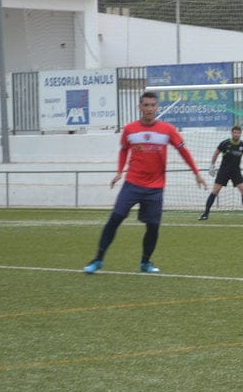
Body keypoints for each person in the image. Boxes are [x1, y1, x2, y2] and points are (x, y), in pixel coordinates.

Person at [83, 91, 207, 274]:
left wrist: (196, 172)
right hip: (132, 183)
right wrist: (119, 171)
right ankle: (98, 259)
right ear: (140, 107)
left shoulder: (168, 130)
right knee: (115, 218)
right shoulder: (130, 129)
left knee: (153, 226)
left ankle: (145, 262)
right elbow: (124, 151)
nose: (149, 109)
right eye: (146, 105)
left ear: (157, 108)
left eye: (152, 105)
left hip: (155, 187)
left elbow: (183, 151)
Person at [199, 125, 243, 220]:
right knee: (215, 191)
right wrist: (212, 165)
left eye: (238, 133)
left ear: (241, 134)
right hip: (223, 171)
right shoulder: (225, 143)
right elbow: (216, 153)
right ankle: (205, 214)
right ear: (232, 133)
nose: (236, 134)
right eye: (235, 132)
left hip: (236, 172)